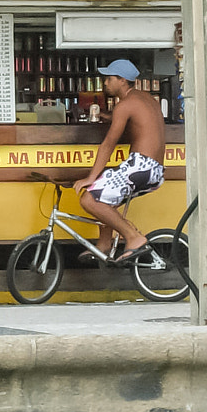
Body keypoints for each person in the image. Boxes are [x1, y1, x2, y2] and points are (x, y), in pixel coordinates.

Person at [74, 59, 165, 262]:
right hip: (155, 170)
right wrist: (110, 117)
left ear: (122, 80)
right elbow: (140, 125)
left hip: (141, 166)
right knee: (107, 197)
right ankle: (105, 245)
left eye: (109, 79)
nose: (105, 83)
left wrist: (90, 177)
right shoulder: (147, 99)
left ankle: (133, 238)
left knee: (90, 198)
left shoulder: (125, 105)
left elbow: (108, 144)